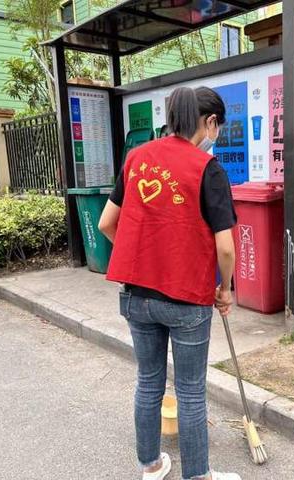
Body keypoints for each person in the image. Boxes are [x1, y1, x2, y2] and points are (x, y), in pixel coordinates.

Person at [98, 86, 240, 480]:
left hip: (136, 297)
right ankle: (198, 476)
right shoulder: (207, 169)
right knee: (191, 391)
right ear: (209, 123)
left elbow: (107, 224)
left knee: (149, 381)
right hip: (186, 299)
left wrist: (146, 254)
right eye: (217, 127)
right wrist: (225, 289)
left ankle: (151, 465)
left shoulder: (136, 158)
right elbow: (225, 248)